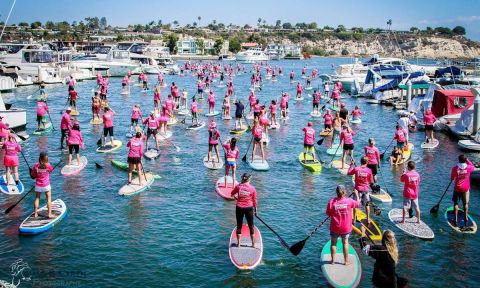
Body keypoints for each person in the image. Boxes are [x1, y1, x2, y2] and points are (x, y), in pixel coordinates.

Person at [326, 185, 360, 265]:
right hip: (346, 228)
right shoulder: (349, 201)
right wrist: (356, 194)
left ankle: (333, 261)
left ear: (336, 192)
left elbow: (328, 213)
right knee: (345, 243)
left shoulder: (331, 202)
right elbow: (358, 204)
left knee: (333, 244)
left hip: (335, 227)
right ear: (344, 192)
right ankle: (346, 261)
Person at [230, 173, 258, 248]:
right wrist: (255, 210)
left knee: (239, 226)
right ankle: (253, 245)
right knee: (251, 226)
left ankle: (238, 244)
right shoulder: (252, 188)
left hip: (239, 207)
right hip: (249, 208)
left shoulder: (238, 186)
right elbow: (254, 200)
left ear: (243, 178)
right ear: (249, 179)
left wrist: (237, 198)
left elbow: (232, 194)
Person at [450, 154, 475, 229]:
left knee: (456, 203)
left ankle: (455, 219)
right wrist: (467, 160)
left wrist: (453, 178)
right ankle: (465, 217)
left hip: (457, 188)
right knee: (465, 203)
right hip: (465, 188)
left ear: (459, 160)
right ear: (465, 160)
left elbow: (452, 177)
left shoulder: (455, 168)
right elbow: (472, 166)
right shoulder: (469, 167)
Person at [348, 157, 373, 224]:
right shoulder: (369, 170)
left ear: (360, 161)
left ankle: (354, 220)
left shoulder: (356, 169)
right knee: (367, 205)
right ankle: (368, 219)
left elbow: (349, 173)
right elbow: (370, 181)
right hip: (365, 190)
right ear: (367, 162)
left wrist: (351, 165)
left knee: (355, 205)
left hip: (357, 190)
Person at [31, 152, 54, 218]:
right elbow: (51, 170)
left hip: (38, 185)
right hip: (46, 185)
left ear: (39, 158)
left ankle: (35, 213)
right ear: (46, 159)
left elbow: (33, 175)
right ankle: (49, 214)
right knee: (48, 199)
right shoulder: (48, 165)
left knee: (37, 198)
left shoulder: (36, 165)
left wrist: (31, 172)